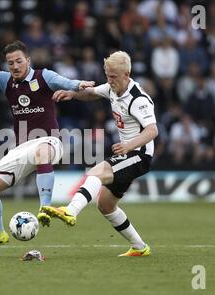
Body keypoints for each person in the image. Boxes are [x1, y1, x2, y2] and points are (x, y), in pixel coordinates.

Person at [0, 40, 94, 257]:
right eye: (10, 63)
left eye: (19, 61)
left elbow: (64, 81)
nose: (15, 66)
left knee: (41, 151)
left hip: (49, 141)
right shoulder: (6, 80)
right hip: (22, 148)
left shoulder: (43, 76)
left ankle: (44, 207)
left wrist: (79, 85)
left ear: (27, 61)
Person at [40, 51, 158, 257]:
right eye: (107, 75)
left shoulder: (138, 99)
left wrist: (129, 146)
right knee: (105, 205)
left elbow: (152, 130)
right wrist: (73, 94)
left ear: (127, 74)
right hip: (129, 153)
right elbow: (93, 93)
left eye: (113, 76)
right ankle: (140, 247)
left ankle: (71, 211)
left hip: (138, 154)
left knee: (95, 172)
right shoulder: (113, 88)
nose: (109, 80)